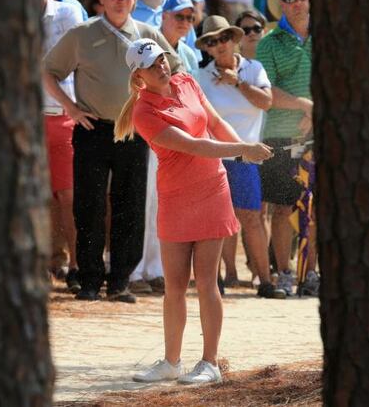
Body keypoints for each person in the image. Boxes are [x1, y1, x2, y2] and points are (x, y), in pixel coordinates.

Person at [117, 38, 272, 384]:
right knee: (174, 286)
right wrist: (243, 149)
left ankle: (210, 363)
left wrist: (241, 154)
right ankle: (172, 361)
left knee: (206, 282)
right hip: (175, 198)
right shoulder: (144, 111)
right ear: (139, 76)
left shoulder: (186, 82)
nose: (162, 66)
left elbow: (214, 123)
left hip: (211, 191)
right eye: (152, 64)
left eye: (161, 59)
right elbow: (193, 145)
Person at [43, 0, 183, 303]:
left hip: (136, 130)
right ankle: (90, 280)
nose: (121, 0)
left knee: (130, 205)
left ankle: (120, 281)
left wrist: (159, 109)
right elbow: (48, 71)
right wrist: (71, 109)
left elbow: (174, 72)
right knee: (88, 205)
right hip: (93, 128)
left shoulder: (148, 35)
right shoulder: (81, 33)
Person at [194, 16, 284, 299]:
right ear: (207, 48)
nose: (219, 45)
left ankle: (266, 283)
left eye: (223, 38)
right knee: (214, 220)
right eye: (211, 41)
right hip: (215, 156)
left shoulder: (253, 69)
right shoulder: (201, 78)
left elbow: (266, 102)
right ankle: (215, 280)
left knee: (252, 218)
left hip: (247, 156)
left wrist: (237, 83)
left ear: (234, 40)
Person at [130, 0, 199, 295]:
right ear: (164, 17)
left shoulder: (190, 54)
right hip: (156, 132)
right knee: (146, 201)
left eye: (189, 17)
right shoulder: (149, 43)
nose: (184, 22)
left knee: (163, 203)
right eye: (179, 16)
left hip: (182, 140)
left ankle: (156, 268)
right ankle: (137, 268)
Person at [255, 0, 318, 297]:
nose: (296, 2)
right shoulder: (268, 42)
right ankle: (284, 273)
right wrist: (305, 106)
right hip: (280, 135)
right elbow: (266, 91)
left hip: (320, 135)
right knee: (282, 208)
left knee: (317, 208)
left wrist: (316, 113)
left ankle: (311, 273)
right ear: (281, 3)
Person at [38, 0, 84, 293]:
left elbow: (80, 64)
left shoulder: (70, 13)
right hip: (29, 119)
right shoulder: (14, 14)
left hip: (64, 114)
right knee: (38, 197)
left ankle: (77, 264)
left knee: (69, 196)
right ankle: (42, 262)